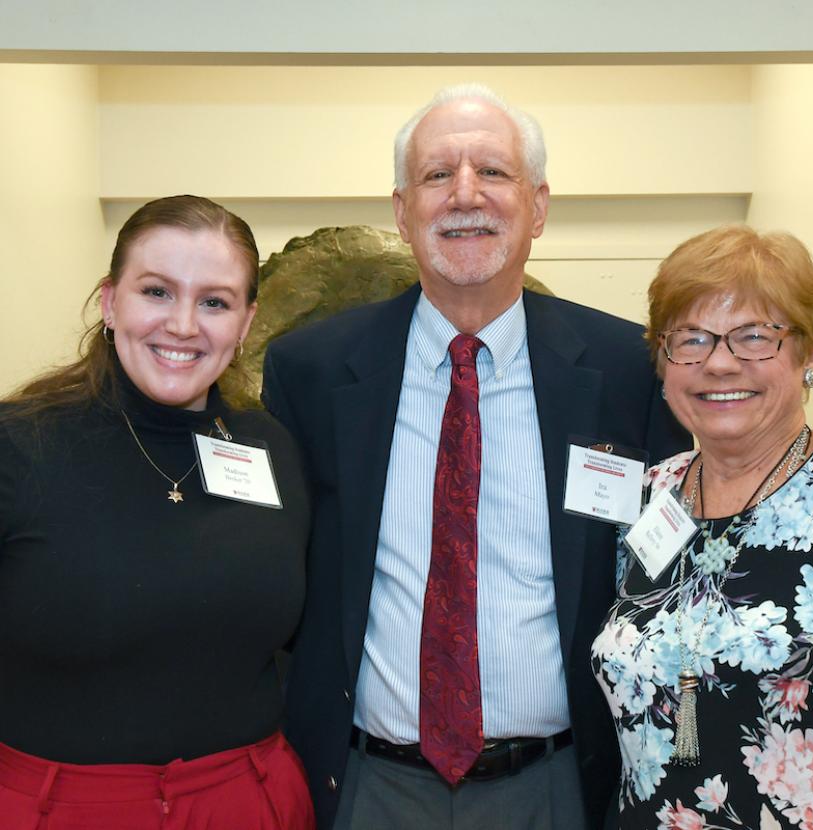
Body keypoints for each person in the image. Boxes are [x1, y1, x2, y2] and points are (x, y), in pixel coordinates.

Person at [262, 84, 689, 830]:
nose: (466, 195)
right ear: (402, 212)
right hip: (369, 783)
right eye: (437, 175)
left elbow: (672, 570)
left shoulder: (628, 368)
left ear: (539, 206)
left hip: (556, 784)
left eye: (493, 172)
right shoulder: (312, 370)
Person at [591, 224, 813, 828]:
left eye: (753, 337)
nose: (719, 363)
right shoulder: (646, 497)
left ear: (810, 351)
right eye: (691, 339)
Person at [0, 195, 315, 829]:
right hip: (59, 808)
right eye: (157, 292)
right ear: (110, 301)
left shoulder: (271, 447)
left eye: (215, 302)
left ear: (247, 322)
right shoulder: (19, 444)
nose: (182, 325)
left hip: (247, 802)